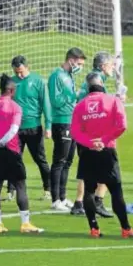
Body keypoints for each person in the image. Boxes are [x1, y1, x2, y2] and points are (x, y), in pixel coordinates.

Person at [70, 72, 133, 238]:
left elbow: (74, 132)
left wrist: (90, 143)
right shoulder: (113, 101)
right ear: (101, 83)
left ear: (87, 86)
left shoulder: (80, 105)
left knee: (89, 191)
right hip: (107, 150)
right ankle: (125, 228)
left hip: (87, 153)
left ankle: (94, 228)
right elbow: (122, 125)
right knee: (116, 191)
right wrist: (104, 140)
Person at [0, 74, 44, 234]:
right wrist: (2, 142)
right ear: (11, 90)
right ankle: (25, 223)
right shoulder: (15, 107)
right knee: (20, 185)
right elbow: (14, 130)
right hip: (11, 151)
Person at [70, 52, 121, 217]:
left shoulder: (91, 79)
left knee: (86, 169)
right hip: (94, 132)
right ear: (103, 66)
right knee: (106, 167)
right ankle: (98, 201)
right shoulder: (98, 82)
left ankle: (79, 202)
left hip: (84, 130)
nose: (113, 67)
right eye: (112, 64)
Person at [9, 55, 52, 201]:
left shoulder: (38, 81)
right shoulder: (11, 82)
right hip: (15, 129)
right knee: (14, 159)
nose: (19, 75)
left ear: (28, 67)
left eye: (21, 71)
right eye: (16, 72)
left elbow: (45, 103)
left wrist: (48, 125)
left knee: (40, 159)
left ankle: (48, 189)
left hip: (34, 127)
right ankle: (11, 191)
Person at [48, 47, 86, 211]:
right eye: (79, 64)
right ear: (71, 60)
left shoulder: (69, 76)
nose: (80, 67)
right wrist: (73, 95)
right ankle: (55, 199)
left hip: (72, 121)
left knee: (68, 161)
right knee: (59, 161)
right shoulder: (56, 76)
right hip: (61, 121)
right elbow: (55, 100)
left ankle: (62, 198)